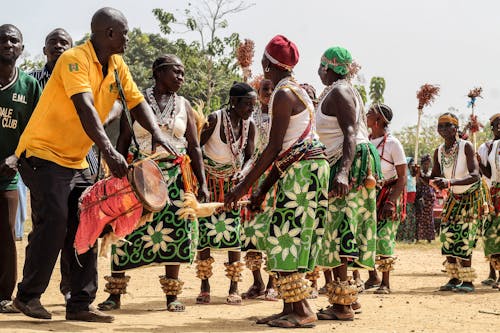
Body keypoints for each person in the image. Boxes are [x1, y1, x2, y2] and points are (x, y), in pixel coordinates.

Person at [12, 7, 177, 322]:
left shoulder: (116, 65)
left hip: (74, 160)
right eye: (125, 33)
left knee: (90, 219)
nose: (128, 38)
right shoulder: (74, 58)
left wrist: (156, 133)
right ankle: (27, 296)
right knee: (56, 221)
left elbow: (136, 101)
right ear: (109, 33)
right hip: (41, 154)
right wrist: (109, 151)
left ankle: (79, 303)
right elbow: (85, 107)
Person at [225, 35, 329, 329]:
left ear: (267, 64)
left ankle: (302, 310)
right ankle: (290, 307)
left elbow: (273, 148)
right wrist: (260, 191)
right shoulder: (296, 90)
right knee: (288, 235)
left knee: (286, 236)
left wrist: (243, 187)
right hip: (305, 170)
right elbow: (285, 151)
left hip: (302, 173)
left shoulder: (283, 95)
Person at [97, 54, 209, 312]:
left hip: (175, 176)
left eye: (183, 73)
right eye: (176, 72)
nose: (181, 77)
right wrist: (116, 177)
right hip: (139, 176)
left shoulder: (184, 105)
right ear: (158, 72)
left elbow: (194, 146)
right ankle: (115, 294)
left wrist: (201, 182)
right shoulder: (136, 101)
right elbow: (124, 140)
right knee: (125, 228)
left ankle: (172, 295)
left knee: (175, 231)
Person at [313, 46, 381, 321]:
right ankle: (347, 300)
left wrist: (343, 172)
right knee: (345, 226)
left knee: (341, 228)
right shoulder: (338, 90)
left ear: (327, 68)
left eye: (320, 67)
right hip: (349, 159)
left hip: (349, 161)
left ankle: (341, 305)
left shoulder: (340, 91)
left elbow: (350, 132)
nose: (318, 72)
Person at [28, 27, 84, 304]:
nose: (59, 46)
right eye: (54, 43)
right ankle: (29, 292)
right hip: (43, 164)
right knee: (46, 226)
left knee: (77, 228)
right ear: (44, 50)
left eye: (65, 42)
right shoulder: (32, 81)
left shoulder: (82, 79)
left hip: (81, 164)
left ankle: (70, 289)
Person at [196, 81, 256, 305]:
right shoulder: (215, 119)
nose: (251, 109)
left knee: (233, 234)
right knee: (204, 235)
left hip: (232, 186)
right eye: (248, 104)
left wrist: (243, 172)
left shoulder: (249, 125)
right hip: (210, 183)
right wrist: (201, 182)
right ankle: (204, 286)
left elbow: (250, 157)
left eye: (254, 105)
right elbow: (196, 148)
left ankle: (234, 287)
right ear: (233, 102)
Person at [0, 24, 42, 314]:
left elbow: (37, 130)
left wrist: (15, 158)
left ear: (21, 49)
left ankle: (3, 296)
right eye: (2, 40)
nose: (7, 44)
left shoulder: (29, 86)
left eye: (14, 40)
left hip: (6, 176)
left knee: (4, 237)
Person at [431, 113, 486, 293]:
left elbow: (475, 175)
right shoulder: (438, 151)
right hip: (453, 198)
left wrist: (450, 182)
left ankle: (467, 281)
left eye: (447, 125)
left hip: (469, 196)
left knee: (464, 236)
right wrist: (422, 177)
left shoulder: (466, 147)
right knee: (447, 235)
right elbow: (434, 178)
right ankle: (453, 278)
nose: (443, 129)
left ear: (456, 128)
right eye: (440, 126)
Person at [240, 77, 278, 301]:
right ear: (258, 90)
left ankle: (273, 283)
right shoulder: (250, 117)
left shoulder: (281, 115)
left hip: (275, 178)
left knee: (273, 231)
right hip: (253, 177)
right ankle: (257, 282)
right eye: (265, 88)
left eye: (272, 88)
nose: (269, 92)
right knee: (251, 232)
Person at [365, 104, 407, 294]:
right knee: (367, 236)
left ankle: (386, 283)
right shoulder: (365, 141)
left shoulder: (393, 144)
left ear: (379, 120)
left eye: (370, 113)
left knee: (384, 237)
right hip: (371, 194)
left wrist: (391, 201)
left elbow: (403, 177)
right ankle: (372, 276)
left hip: (390, 193)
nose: (366, 115)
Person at [477, 113, 500, 289]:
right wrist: (478, 163)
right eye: (497, 124)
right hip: (492, 193)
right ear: (491, 128)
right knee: (490, 233)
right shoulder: (486, 148)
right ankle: (493, 271)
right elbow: (489, 175)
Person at [415, 154, 436, 242]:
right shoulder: (419, 173)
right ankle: (418, 237)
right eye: (425, 163)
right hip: (421, 196)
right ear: (422, 164)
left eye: (428, 163)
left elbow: (431, 183)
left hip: (430, 197)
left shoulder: (431, 172)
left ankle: (429, 238)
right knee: (420, 216)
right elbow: (417, 182)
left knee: (429, 216)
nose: (426, 165)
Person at [397, 157, 417, 243]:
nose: (412, 165)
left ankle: (410, 237)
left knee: (410, 217)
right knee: (405, 216)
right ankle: (402, 237)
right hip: (405, 195)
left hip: (412, 196)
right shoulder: (404, 172)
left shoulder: (413, 172)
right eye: (410, 163)